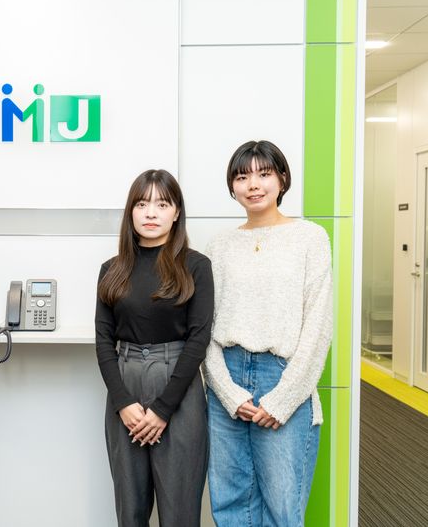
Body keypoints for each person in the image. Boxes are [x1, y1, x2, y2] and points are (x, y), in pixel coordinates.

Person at [204, 140, 333, 527]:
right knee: (230, 504)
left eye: (264, 174)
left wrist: (283, 399)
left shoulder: (309, 237)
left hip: (283, 375)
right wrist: (228, 393)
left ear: (282, 179)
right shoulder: (219, 245)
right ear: (232, 186)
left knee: (282, 508)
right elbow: (204, 328)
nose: (253, 185)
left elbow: (318, 325)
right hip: (226, 379)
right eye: (242, 177)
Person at [95, 169, 213, 526]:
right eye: (142, 204)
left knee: (179, 513)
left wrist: (162, 409)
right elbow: (103, 340)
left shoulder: (196, 266)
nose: (151, 213)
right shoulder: (112, 269)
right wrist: (122, 402)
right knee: (130, 512)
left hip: (178, 387)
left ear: (176, 213)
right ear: (130, 211)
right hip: (126, 388)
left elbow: (198, 340)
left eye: (162, 204)